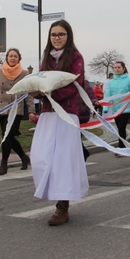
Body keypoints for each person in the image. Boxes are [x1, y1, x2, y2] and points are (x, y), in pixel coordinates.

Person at [31, 20, 88, 226]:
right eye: (53, 34)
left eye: (61, 34)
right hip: (48, 113)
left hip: (66, 113)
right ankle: (52, 192)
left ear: (68, 36)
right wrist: (36, 91)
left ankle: (62, 206)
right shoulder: (45, 57)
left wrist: (50, 93)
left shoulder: (75, 57)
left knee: (63, 160)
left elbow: (74, 84)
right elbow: (40, 81)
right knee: (41, 156)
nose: (57, 38)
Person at [0, 48, 35, 175]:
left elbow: (29, 94)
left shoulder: (24, 74)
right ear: (7, 58)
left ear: (19, 59)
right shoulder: (0, 71)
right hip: (2, 109)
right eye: (10, 56)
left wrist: (31, 111)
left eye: (15, 56)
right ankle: (24, 158)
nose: (13, 58)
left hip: (16, 110)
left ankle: (4, 164)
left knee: (7, 136)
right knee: (7, 136)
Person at [104, 61, 130, 154]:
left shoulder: (129, 80)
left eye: (119, 67)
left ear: (123, 68)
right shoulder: (111, 82)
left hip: (126, 108)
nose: (117, 69)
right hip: (116, 109)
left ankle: (121, 148)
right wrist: (105, 107)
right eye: (115, 67)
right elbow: (108, 94)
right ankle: (123, 145)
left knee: (122, 127)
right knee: (119, 128)